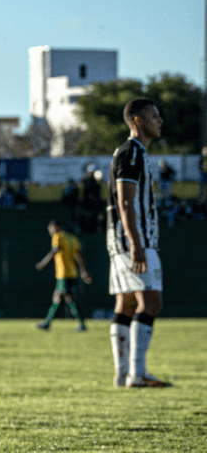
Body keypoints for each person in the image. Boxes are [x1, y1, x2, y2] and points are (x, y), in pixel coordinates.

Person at [107, 98, 172, 388]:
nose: (159, 121)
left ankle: (123, 375)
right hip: (135, 238)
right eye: (154, 116)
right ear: (138, 121)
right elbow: (125, 200)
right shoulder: (132, 151)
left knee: (127, 302)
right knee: (151, 302)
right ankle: (138, 373)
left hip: (122, 239)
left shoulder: (132, 152)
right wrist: (136, 242)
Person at [34, 220, 91, 331]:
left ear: (56, 227)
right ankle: (47, 323)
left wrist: (43, 263)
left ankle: (81, 324)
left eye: (51, 229)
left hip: (63, 273)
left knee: (68, 299)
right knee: (60, 297)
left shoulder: (58, 237)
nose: (50, 232)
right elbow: (79, 256)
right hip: (73, 273)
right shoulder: (73, 238)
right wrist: (84, 271)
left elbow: (54, 251)